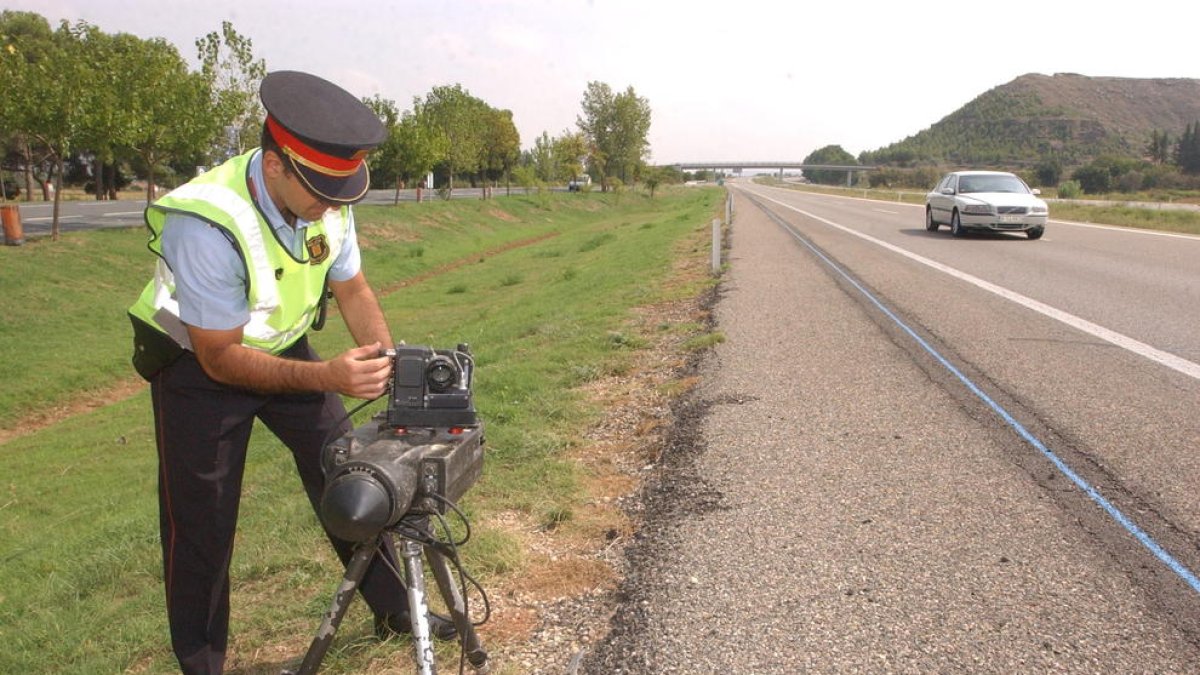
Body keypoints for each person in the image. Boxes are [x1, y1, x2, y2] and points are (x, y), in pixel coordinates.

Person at [128, 70, 453, 675]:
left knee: (354, 476)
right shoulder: (204, 221)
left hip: (287, 347)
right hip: (197, 368)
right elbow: (220, 356)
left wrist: (393, 365)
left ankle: (396, 611)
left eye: (340, 191)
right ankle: (202, 663)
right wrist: (330, 375)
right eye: (321, 191)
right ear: (275, 164)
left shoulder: (327, 199)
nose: (332, 205)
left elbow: (352, 288)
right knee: (202, 520)